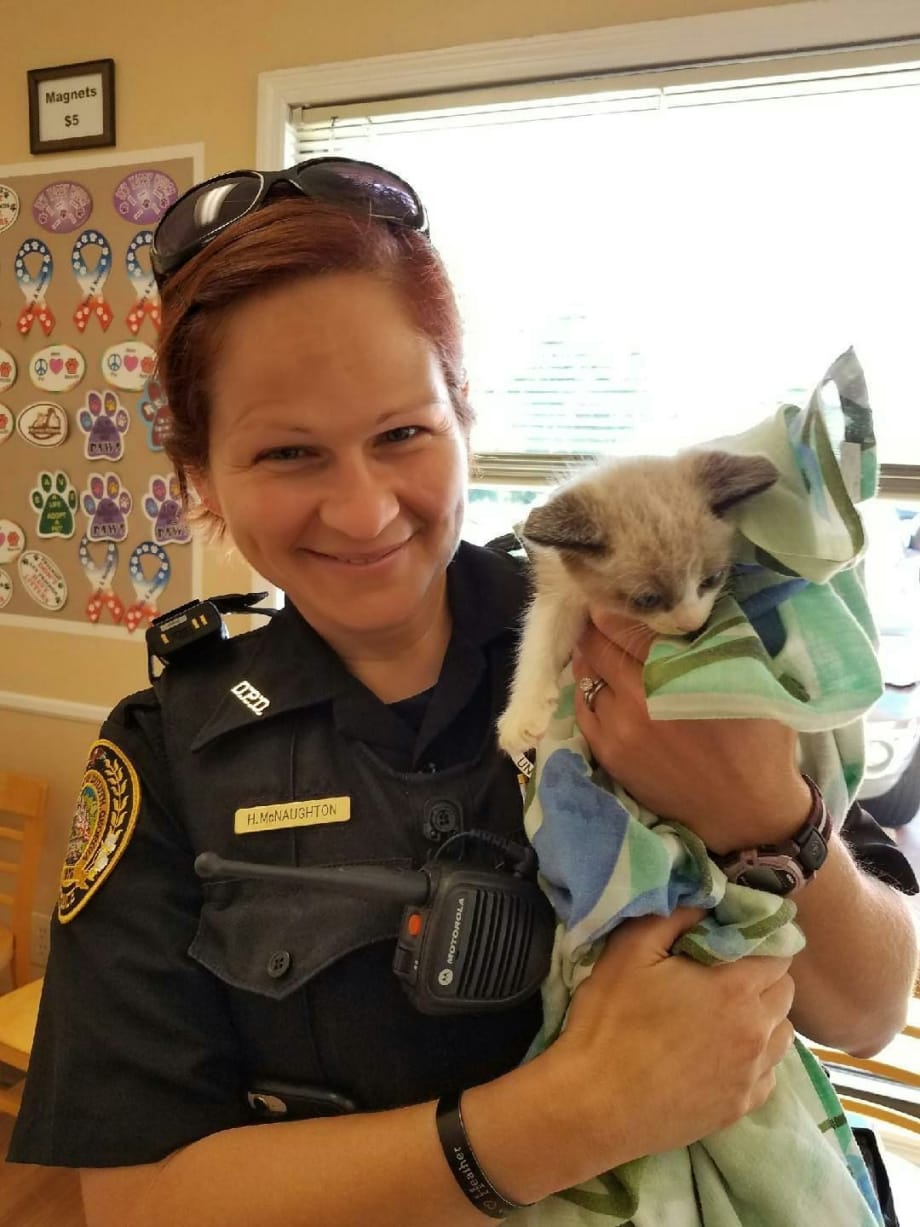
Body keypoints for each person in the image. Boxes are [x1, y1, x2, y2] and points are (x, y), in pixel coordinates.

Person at [9, 158, 918, 1227]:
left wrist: (768, 819)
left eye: (401, 434)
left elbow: (863, 1009)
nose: (362, 513)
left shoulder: (640, 636)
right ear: (201, 475)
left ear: (464, 416)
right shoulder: (170, 756)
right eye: (288, 452)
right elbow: (135, 1202)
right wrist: (565, 1117)